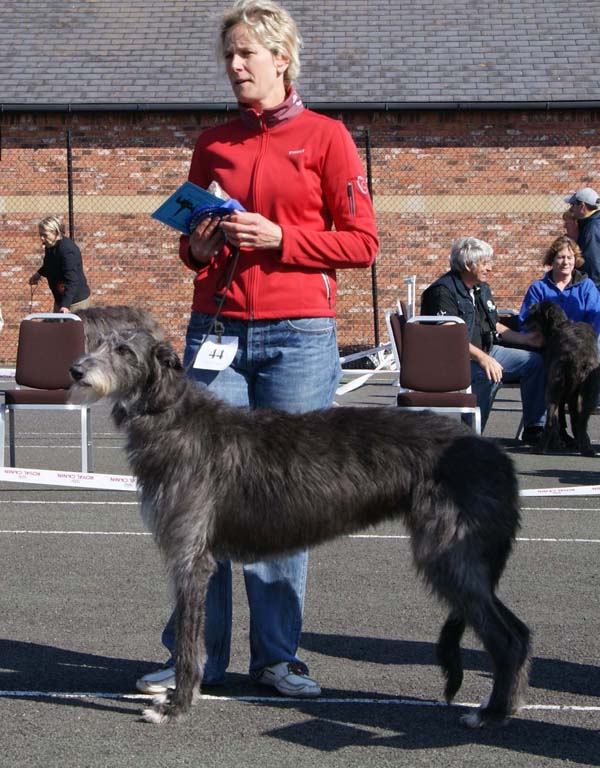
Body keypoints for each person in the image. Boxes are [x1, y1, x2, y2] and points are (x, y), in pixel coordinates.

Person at [136, 0, 378, 698]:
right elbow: (192, 244)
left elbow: (361, 244)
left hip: (299, 337)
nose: (236, 66)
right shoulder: (213, 142)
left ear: (282, 58)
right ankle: (196, 657)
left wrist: (284, 240)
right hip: (215, 334)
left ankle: (278, 657)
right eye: (229, 55)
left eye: (247, 53)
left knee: (283, 499)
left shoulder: (329, 138)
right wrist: (198, 245)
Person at [420, 236, 546, 440]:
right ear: (469, 265)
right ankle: (469, 437)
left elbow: (493, 324)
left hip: (486, 350)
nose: (490, 268)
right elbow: (449, 338)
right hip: (452, 360)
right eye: (485, 263)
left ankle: (535, 429)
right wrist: (484, 359)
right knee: (487, 375)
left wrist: (526, 340)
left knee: (534, 362)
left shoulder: (481, 289)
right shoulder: (442, 292)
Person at [519, 235, 600, 347]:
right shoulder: (538, 288)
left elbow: (595, 320)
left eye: (570, 257)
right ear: (552, 260)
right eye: (561, 257)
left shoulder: (587, 286)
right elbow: (527, 322)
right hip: (548, 346)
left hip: (582, 344)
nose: (565, 262)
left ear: (575, 260)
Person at [28, 216, 90, 313]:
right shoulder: (50, 245)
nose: (42, 238)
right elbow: (50, 264)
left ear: (55, 232)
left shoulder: (67, 251)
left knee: (72, 328)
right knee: (57, 327)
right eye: (40, 235)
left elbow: (72, 280)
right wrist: (39, 273)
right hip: (61, 300)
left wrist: (65, 306)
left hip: (75, 302)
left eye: (45, 235)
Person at [564, 187, 600, 289]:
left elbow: (593, 265)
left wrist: (592, 292)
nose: (571, 209)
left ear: (582, 205)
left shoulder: (592, 228)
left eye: (573, 204)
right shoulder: (591, 225)